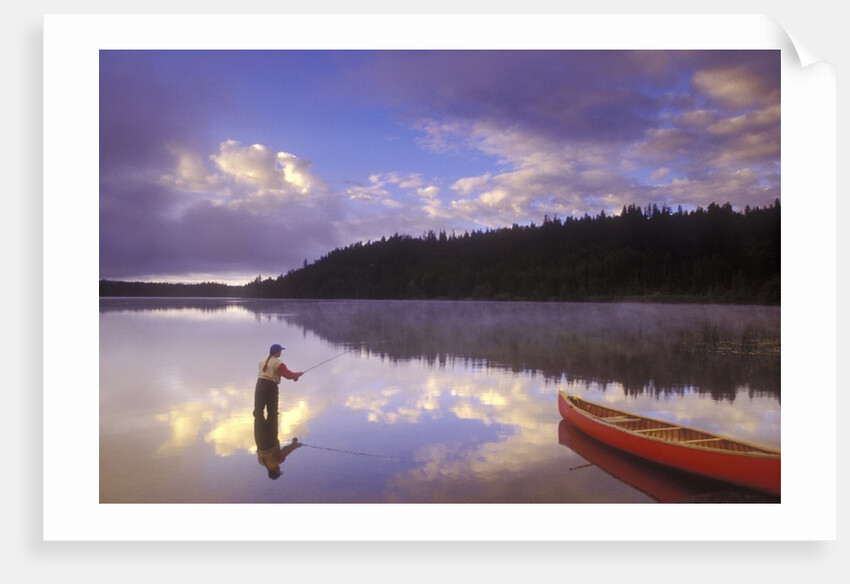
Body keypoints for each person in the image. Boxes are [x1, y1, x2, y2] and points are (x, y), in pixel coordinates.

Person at [253, 343, 303, 420]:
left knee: (258, 411)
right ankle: (271, 430)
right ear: (277, 352)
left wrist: (295, 376)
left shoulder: (262, 361)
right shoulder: (278, 363)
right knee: (272, 412)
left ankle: (259, 430)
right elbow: (288, 375)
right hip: (270, 387)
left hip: (259, 385)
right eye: (280, 351)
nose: (281, 353)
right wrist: (298, 374)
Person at [254, 413, 302, 480]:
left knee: (272, 415)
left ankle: (272, 404)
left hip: (271, 439)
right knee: (259, 415)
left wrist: (295, 445)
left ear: (275, 471)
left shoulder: (277, 461)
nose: (279, 469)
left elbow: (286, 450)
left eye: (278, 471)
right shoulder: (261, 462)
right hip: (259, 440)